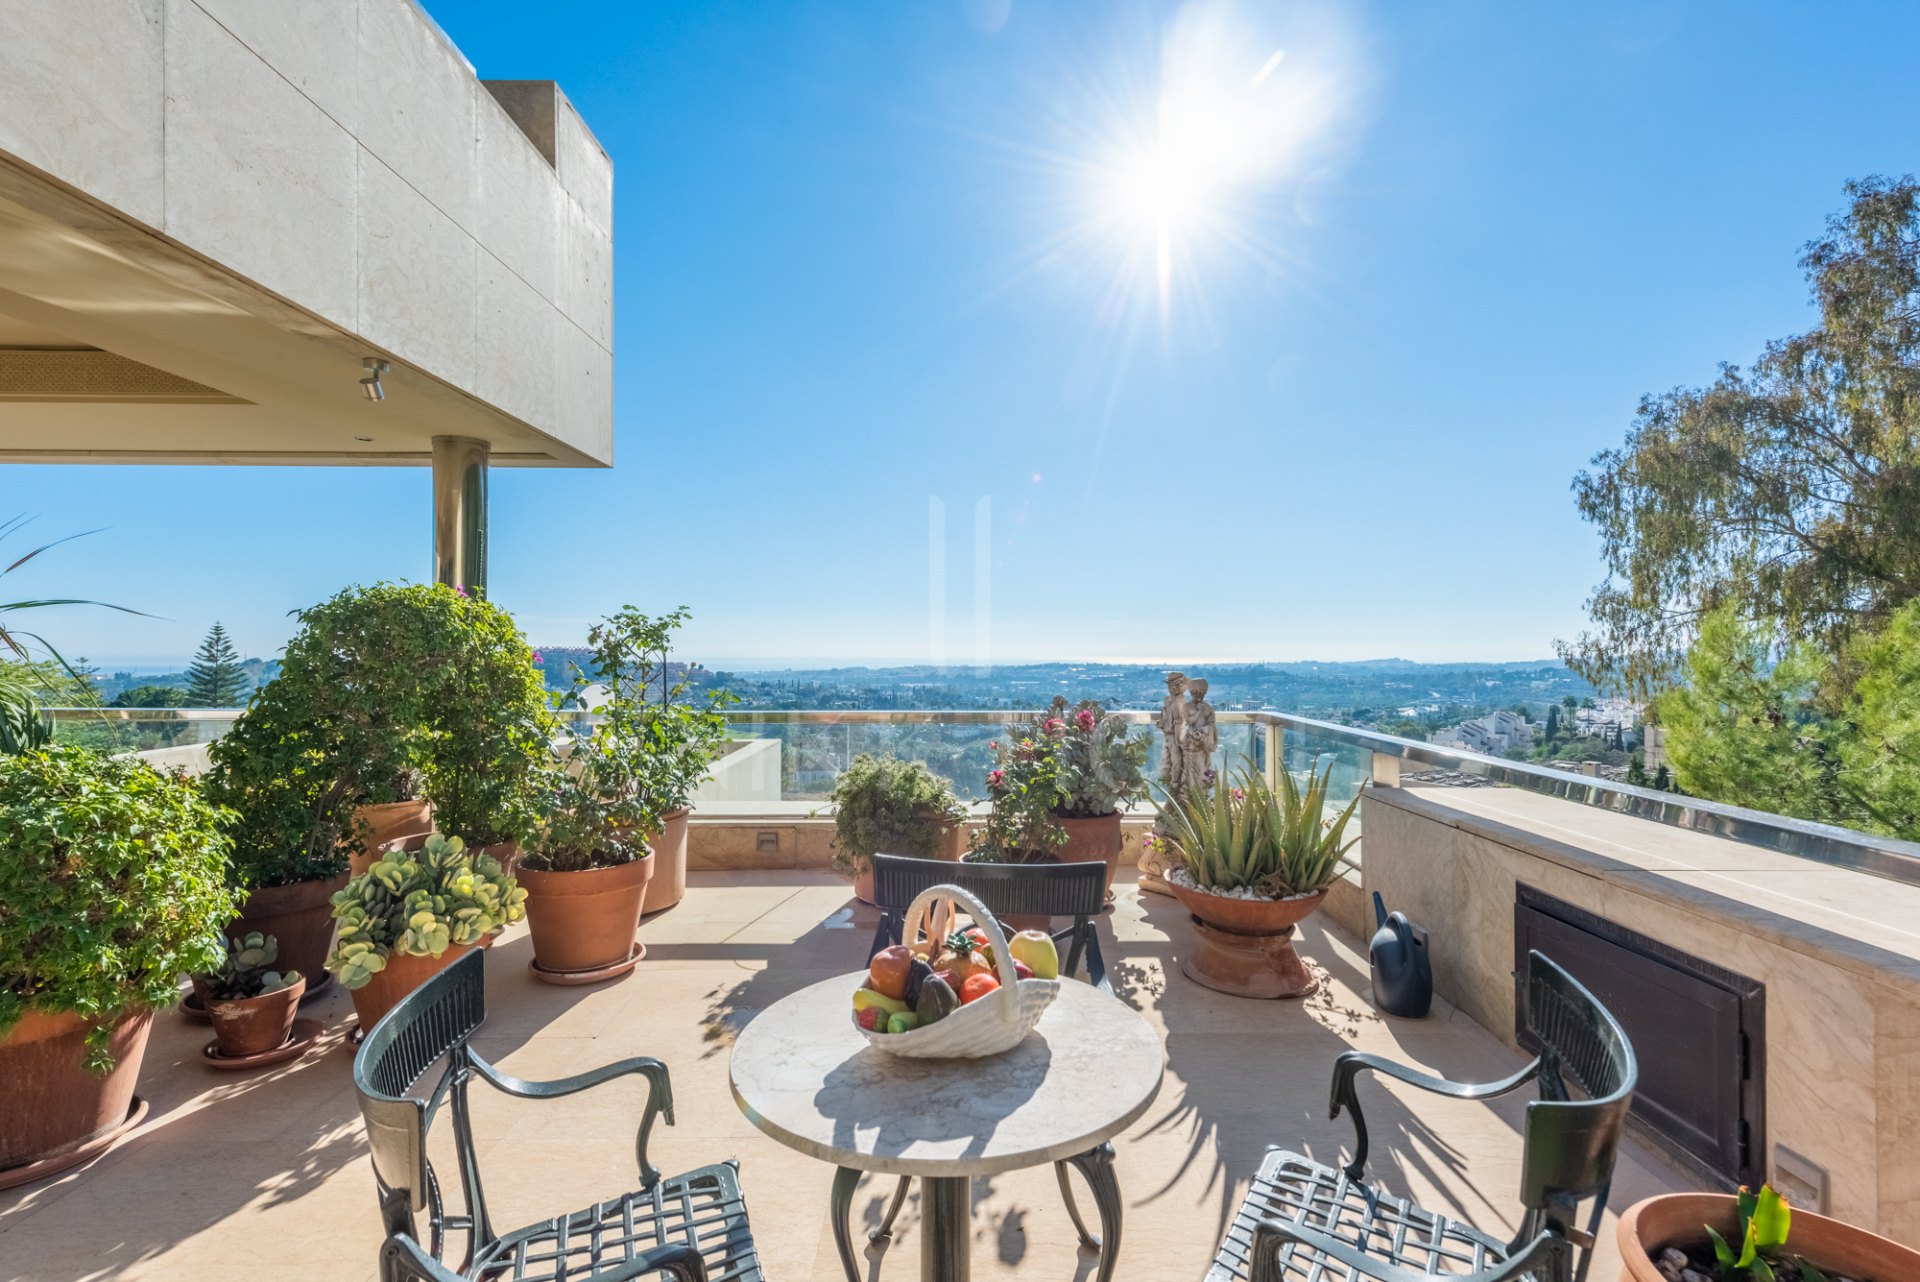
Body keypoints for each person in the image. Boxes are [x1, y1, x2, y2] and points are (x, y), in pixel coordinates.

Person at [1181, 678, 1217, 791]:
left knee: (1203, 769)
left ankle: (1201, 795)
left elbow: (1212, 725)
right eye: (1195, 692)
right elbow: (1188, 721)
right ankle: (1188, 795)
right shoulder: (1186, 706)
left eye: (1202, 691)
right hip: (1190, 744)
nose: (1199, 695)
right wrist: (1199, 712)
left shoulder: (1208, 708)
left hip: (1203, 744)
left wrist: (1203, 733)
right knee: (1190, 771)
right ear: (1191, 692)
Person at [1157, 672, 1188, 791]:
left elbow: (1179, 722)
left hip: (1175, 737)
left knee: (1176, 762)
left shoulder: (1179, 702)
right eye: (1170, 685)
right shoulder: (1169, 700)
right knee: (1167, 763)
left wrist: (1179, 741)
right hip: (1168, 736)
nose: (1172, 688)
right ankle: (1172, 787)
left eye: (1176, 685)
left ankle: (1175, 788)